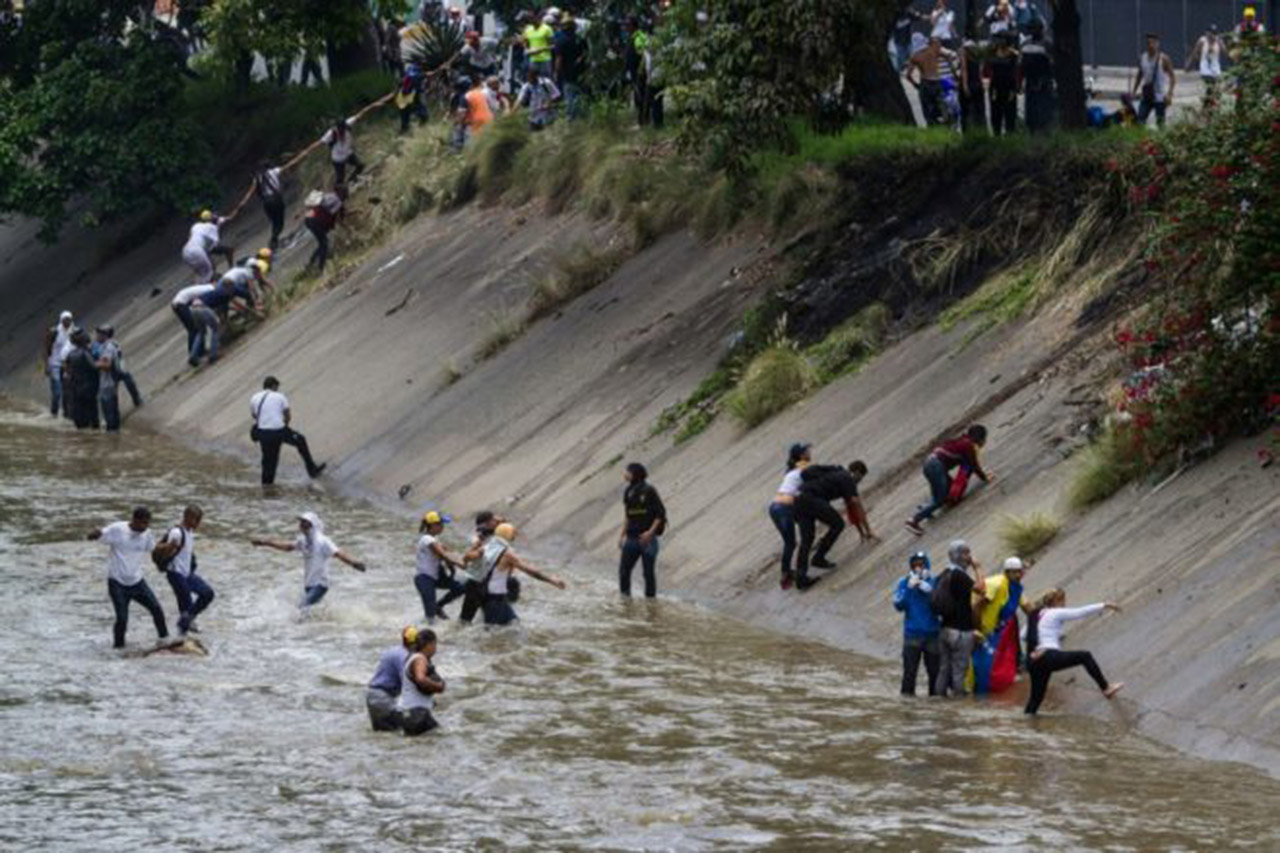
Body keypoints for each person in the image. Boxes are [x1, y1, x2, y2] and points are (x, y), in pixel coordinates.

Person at [1023, 588, 1124, 715]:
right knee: (1085, 656)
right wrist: (1105, 604)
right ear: (1057, 601)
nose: (1065, 604)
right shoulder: (1056, 612)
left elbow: (1023, 635)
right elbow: (1080, 612)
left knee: (1035, 699)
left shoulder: (1037, 615)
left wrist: (1038, 646)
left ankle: (1026, 726)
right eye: (1063, 601)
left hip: (1035, 661)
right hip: (1048, 656)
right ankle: (1106, 688)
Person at [88, 507, 169, 649]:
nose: (144, 527)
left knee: (156, 609)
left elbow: (153, 549)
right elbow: (101, 534)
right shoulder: (118, 529)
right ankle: (118, 648)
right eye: (142, 523)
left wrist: (168, 549)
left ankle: (165, 640)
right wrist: (94, 534)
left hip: (137, 582)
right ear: (134, 520)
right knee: (122, 619)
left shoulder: (147, 534)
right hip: (117, 583)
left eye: (147, 523)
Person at [250, 512, 367, 608]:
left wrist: (354, 563)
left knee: (302, 607)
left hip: (321, 584)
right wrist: (265, 543)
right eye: (300, 522)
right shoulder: (303, 541)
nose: (301, 525)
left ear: (312, 525)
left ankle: (296, 631)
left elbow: (338, 553)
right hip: (309, 584)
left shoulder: (323, 541)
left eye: (304, 522)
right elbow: (287, 547)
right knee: (311, 611)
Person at [793, 460, 875, 591]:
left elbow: (851, 509)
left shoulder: (835, 471)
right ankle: (818, 557)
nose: (859, 482)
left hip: (797, 499)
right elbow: (856, 505)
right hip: (811, 498)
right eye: (860, 478)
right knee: (838, 524)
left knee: (807, 538)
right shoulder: (847, 478)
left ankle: (801, 578)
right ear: (857, 473)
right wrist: (868, 530)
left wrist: (862, 532)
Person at [905, 424, 992, 535]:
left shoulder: (962, 441)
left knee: (945, 492)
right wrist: (985, 478)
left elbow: (966, 466)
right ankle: (913, 521)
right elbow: (973, 465)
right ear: (980, 438)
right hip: (936, 466)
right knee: (940, 499)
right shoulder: (968, 445)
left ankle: (925, 509)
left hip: (930, 462)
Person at [480, 523, 568, 626]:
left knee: (511, 625)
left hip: (485, 595)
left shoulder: (486, 547)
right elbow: (529, 570)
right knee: (499, 631)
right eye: (513, 535)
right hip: (495, 599)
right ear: (508, 535)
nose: (514, 537)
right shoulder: (507, 554)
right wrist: (551, 580)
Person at [932, 540, 985, 698]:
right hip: (961, 631)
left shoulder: (943, 573)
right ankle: (959, 707)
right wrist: (978, 567)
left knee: (943, 669)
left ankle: (939, 702)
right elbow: (981, 589)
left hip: (944, 630)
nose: (969, 557)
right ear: (958, 555)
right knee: (959, 671)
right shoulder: (959, 575)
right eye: (966, 553)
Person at [249, 376, 326, 485]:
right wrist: (284, 427)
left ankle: (267, 491)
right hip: (279, 431)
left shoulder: (254, 397)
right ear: (274, 386)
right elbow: (288, 416)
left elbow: (255, 415)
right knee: (300, 441)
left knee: (269, 462)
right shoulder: (280, 396)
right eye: (277, 387)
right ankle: (312, 470)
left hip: (263, 434)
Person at [968, 556, 1027, 695]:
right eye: (1014, 572)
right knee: (982, 664)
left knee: (998, 662)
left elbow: (1028, 607)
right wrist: (976, 629)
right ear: (1007, 572)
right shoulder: (997, 584)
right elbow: (976, 607)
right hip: (981, 629)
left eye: (1020, 572)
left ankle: (993, 690)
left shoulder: (1015, 588)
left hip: (997, 630)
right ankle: (978, 695)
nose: (1018, 575)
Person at [154, 505, 215, 635]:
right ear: (188, 517)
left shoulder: (189, 532)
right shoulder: (176, 532)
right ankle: (182, 634)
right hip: (175, 573)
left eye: (199, 520)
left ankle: (187, 621)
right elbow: (167, 553)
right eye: (197, 520)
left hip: (187, 574)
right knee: (186, 604)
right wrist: (170, 549)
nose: (198, 523)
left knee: (207, 593)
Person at [894, 551, 941, 697]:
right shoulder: (904, 582)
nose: (918, 568)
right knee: (909, 674)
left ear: (927, 565)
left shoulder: (935, 581)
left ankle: (935, 707)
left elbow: (941, 604)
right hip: (912, 635)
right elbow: (898, 605)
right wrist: (909, 588)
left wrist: (927, 589)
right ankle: (907, 709)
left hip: (933, 635)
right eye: (915, 565)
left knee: (935, 675)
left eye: (921, 564)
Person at [618, 463, 667, 598]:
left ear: (634, 473)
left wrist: (650, 533)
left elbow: (660, 514)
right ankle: (625, 600)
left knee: (648, 573)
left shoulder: (649, 490)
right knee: (624, 571)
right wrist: (622, 536)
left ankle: (651, 602)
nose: (624, 474)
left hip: (648, 540)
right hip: (631, 538)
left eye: (627, 471)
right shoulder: (628, 491)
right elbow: (628, 516)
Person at [769, 443, 811, 590]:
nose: (809, 452)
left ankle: (786, 573)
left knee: (790, 543)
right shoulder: (803, 468)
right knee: (790, 543)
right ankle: (785, 575)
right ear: (801, 455)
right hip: (783, 509)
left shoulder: (791, 470)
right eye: (807, 451)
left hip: (776, 507)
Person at [415, 511, 466, 623]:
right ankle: (431, 630)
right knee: (430, 615)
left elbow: (446, 554)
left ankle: (439, 605)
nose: (443, 527)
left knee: (462, 587)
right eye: (441, 524)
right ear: (433, 525)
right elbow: (443, 554)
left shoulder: (435, 540)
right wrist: (461, 564)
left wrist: (452, 567)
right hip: (424, 579)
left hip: (436, 577)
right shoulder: (427, 539)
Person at [400, 626, 446, 736]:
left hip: (408, 713)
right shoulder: (420, 659)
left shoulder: (411, 657)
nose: (435, 649)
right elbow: (420, 679)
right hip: (418, 714)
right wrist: (438, 686)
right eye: (435, 645)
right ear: (430, 644)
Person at [458, 511, 503, 623]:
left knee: (491, 619)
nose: (496, 521)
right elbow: (467, 556)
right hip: (476, 584)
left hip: (488, 584)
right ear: (487, 524)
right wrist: (479, 553)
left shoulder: (496, 533)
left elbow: (503, 520)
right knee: (465, 619)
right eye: (493, 520)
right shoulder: (480, 539)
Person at [907, 37, 960, 127]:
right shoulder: (934, 51)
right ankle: (945, 124)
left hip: (925, 83)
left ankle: (932, 126)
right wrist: (954, 74)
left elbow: (908, 75)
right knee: (941, 106)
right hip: (936, 82)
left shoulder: (915, 56)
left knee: (927, 110)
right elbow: (949, 57)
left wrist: (916, 85)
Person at [366, 629, 411, 732]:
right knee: (402, 730)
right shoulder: (404, 656)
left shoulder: (394, 650)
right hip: (383, 698)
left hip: (372, 695)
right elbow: (407, 680)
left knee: (382, 734)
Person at [1131, 34, 1176, 129]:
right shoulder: (1143, 57)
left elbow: (1173, 77)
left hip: (1159, 97)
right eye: (1148, 43)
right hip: (1147, 95)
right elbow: (1139, 75)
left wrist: (1169, 93)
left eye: (1153, 43)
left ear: (1158, 44)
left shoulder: (1163, 59)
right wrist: (1134, 91)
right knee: (1140, 120)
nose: (1151, 45)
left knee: (1160, 123)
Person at [1020, 21, 1054, 133]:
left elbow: (1052, 63)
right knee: (1031, 110)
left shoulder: (1047, 43)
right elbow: (1021, 64)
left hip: (1044, 81)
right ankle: (1032, 130)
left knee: (1042, 110)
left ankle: (1043, 130)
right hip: (1030, 80)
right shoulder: (1026, 43)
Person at [181, 210, 232, 283]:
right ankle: (214, 287)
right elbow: (215, 243)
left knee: (202, 274)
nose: (214, 215)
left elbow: (190, 237)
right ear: (211, 219)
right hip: (197, 251)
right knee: (209, 273)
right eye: (212, 215)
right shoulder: (212, 227)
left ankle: (203, 286)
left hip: (185, 251)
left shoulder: (196, 225)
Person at [172, 283, 217, 364]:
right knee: (195, 329)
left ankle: (197, 351)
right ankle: (195, 353)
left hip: (177, 303)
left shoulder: (204, 287)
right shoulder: (210, 289)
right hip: (181, 304)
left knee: (192, 329)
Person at [303, 187, 344, 275]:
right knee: (324, 244)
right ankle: (320, 268)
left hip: (308, 218)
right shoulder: (338, 202)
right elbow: (337, 218)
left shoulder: (329, 195)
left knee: (322, 243)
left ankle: (312, 262)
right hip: (315, 221)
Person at [65, 328, 100, 430]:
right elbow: (94, 367)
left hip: (75, 388)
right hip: (88, 388)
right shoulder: (85, 353)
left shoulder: (70, 354)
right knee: (92, 412)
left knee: (79, 413)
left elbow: (67, 371)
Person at [987, 32, 1021, 136]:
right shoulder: (992, 53)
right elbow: (987, 70)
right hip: (995, 86)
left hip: (1009, 86)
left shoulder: (1014, 54)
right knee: (995, 111)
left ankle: (1010, 134)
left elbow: (1017, 71)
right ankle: (996, 133)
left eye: (1001, 39)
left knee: (1010, 111)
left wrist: (1017, 86)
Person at [554, 15, 586, 120]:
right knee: (579, 92)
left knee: (569, 94)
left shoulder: (561, 40)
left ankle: (571, 116)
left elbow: (559, 58)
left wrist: (556, 72)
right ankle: (580, 114)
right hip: (581, 70)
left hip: (567, 71)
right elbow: (585, 53)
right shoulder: (580, 38)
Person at [43, 310, 75, 417]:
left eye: (69, 319)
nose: (68, 322)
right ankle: (54, 413)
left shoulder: (74, 331)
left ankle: (67, 414)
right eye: (65, 319)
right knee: (57, 392)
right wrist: (47, 365)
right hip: (55, 364)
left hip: (67, 365)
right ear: (61, 320)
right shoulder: (54, 331)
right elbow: (46, 349)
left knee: (67, 391)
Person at [92, 325, 123, 432]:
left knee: (109, 411)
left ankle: (112, 435)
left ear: (104, 335)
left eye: (98, 334)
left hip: (108, 383)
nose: (96, 336)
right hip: (110, 383)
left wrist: (92, 364)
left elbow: (107, 365)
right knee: (113, 411)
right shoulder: (109, 346)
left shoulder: (108, 347)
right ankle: (115, 436)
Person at [252, 161, 286, 251]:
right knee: (280, 222)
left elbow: (257, 191)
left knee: (274, 222)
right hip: (276, 199)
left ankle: (274, 240)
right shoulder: (273, 171)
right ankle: (273, 240)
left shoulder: (257, 178)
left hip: (266, 202)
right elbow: (287, 166)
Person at [321, 118, 364, 186]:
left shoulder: (347, 125)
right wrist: (305, 152)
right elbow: (320, 142)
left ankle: (352, 179)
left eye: (343, 129)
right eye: (340, 130)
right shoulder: (331, 133)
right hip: (338, 159)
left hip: (348, 153)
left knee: (360, 165)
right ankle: (338, 192)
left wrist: (373, 106)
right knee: (340, 178)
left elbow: (360, 114)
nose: (342, 131)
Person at [516, 67, 561, 131]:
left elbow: (557, 95)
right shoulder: (526, 86)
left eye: (531, 77)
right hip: (533, 117)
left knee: (548, 135)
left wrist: (548, 102)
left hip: (548, 117)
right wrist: (512, 112)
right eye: (528, 77)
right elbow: (519, 101)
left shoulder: (546, 83)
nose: (529, 79)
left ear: (536, 76)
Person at [1186, 25, 1224, 100]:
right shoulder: (1202, 40)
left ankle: (1210, 106)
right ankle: (1208, 106)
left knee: (1217, 91)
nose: (1211, 35)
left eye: (1214, 33)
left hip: (1216, 70)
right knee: (1210, 88)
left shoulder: (1218, 41)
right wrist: (1189, 64)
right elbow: (1194, 53)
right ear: (1206, 33)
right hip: (1205, 70)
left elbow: (1225, 51)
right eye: (1210, 33)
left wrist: (1221, 43)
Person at [890, 3, 927, 73]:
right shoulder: (893, 16)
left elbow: (919, 17)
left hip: (908, 41)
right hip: (899, 43)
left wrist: (928, 17)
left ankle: (911, 73)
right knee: (900, 62)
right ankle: (898, 72)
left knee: (912, 59)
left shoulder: (909, 12)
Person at [397, 63, 428, 135]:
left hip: (405, 100)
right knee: (422, 115)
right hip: (407, 100)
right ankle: (408, 131)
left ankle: (406, 131)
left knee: (406, 119)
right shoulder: (416, 77)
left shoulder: (404, 79)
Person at [522, 11, 555, 79]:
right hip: (533, 60)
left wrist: (540, 49)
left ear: (537, 17)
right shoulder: (528, 30)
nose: (531, 21)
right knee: (534, 81)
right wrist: (526, 49)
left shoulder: (547, 29)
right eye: (529, 19)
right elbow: (525, 42)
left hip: (545, 60)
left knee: (546, 81)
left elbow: (552, 45)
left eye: (532, 18)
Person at [463, 75, 495, 141]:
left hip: (476, 122)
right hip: (489, 120)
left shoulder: (467, 95)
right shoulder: (482, 93)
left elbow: (461, 114)